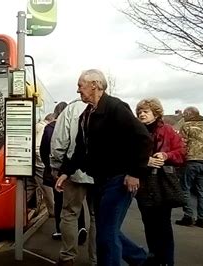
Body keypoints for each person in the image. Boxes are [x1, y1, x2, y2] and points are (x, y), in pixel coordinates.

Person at [56, 69, 153, 266]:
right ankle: (142, 259)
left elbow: (143, 138)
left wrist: (134, 173)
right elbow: (81, 150)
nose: (78, 91)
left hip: (119, 180)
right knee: (107, 230)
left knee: (106, 235)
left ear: (95, 85)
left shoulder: (115, 107)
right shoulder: (86, 115)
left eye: (80, 85)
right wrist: (65, 171)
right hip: (100, 180)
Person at [135, 98, 186, 266]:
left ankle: (167, 261)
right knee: (149, 224)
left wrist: (166, 156)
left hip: (162, 183)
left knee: (163, 225)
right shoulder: (135, 132)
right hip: (143, 183)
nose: (142, 114)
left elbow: (181, 153)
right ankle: (154, 258)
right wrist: (144, 160)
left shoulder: (168, 131)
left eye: (146, 111)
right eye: (140, 112)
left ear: (156, 113)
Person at [48, 98, 96, 265]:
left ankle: (68, 257)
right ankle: (95, 259)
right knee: (96, 216)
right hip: (100, 174)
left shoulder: (70, 110)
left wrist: (57, 168)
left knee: (69, 213)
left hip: (74, 172)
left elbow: (59, 142)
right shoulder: (107, 108)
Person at [176, 106, 203, 228]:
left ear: (189, 114)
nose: (183, 116)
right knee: (202, 191)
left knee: (185, 188)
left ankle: (188, 216)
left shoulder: (187, 126)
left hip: (191, 161)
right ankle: (202, 219)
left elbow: (182, 144)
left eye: (185, 114)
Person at [39, 102, 68, 238]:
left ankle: (59, 230)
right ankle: (80, 229)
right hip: (71, 171)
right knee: (74, 203)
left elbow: (43, 150)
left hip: (55, 171)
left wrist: (49, 167)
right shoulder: (73, 126)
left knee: (59, 201)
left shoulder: (49, 128)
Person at [27, 113, 56, 216]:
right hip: (39, 164)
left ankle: (18, 208)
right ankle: (53, 211)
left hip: (30, 161)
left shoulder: (37, 126)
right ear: (51, 120)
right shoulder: (44, 127)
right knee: (47, 187)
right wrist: (43, 163)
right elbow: (37, 147)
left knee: (31, 185)